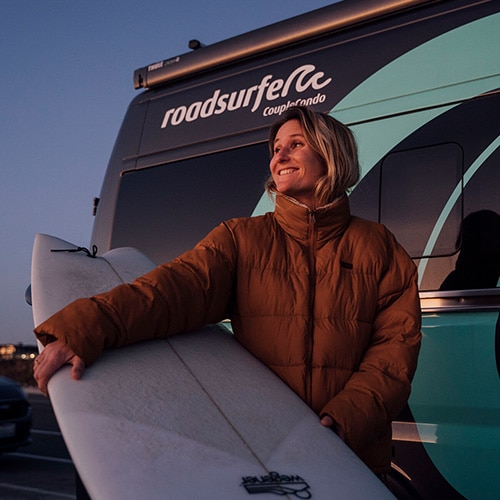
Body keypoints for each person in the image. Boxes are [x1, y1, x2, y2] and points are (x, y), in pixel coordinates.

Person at [34, 106, 421, 476]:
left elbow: (395, 352)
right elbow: (169, 291)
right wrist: (85, 328)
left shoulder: (379, 247)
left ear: (330, 152)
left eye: (296, 143)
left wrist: (345, 420)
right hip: (267, 456)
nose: (279, 154)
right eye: (275, 149)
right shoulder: (242, 239)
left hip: (351, 460)